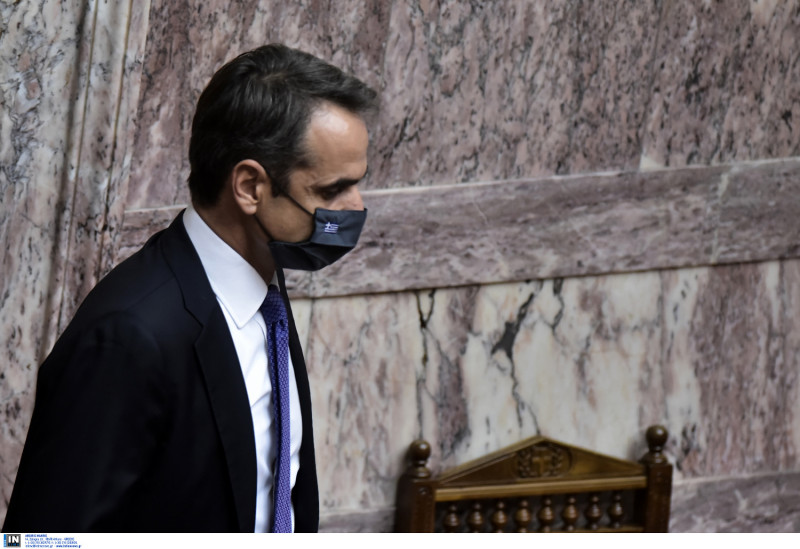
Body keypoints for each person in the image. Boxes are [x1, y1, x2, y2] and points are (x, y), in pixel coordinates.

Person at [3, 44, 378, 533]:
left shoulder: (265, 288)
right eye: (331, 191)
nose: (356, 207)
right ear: (250, 187)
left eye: (356, 183)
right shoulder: (128, 336)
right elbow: (42, 539)